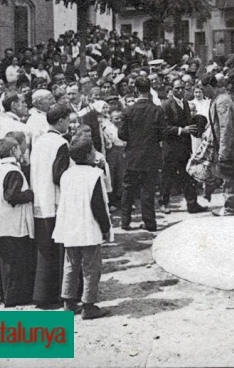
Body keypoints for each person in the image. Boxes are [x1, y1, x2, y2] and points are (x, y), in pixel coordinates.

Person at [53, 136, 111, 320]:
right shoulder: (94, 175)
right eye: (93, 150)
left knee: (71, 264)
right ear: (88, 155)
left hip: (70, 225)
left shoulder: (66, 174)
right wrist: (106, 227)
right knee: (91, 266)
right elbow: (98, 205)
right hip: (88, 225)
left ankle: (68, 302)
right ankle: (88, 305)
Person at [29, 104, 71, 306]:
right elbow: (59, 176)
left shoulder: (39, 142)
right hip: (55, 201)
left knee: (45, 249)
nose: (69, 124)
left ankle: (41, 294)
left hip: (40, 199)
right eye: (68, 120)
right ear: (61, 121)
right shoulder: (60, 143)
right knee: (57, 250)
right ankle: (56, 295)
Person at [0, 136, 35, 307]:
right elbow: (11, 196)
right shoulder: (12, 171)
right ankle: (14, 297)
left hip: (2, 222)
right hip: (12, 223)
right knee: (14, 262)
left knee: (7, 262)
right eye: (18, 148)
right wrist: (30, 194)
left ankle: (6, 294)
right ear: (13, 150)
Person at [118, 77, 166, 231]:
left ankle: (125, 222)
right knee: (148, 190)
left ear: (136, 90)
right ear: (149, 89)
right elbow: (162, 133)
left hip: (132, 156)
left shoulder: (128, 110)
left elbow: (122, 135)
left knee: (128, 189)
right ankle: (150, 223)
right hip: (150, 156)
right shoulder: (157, 110)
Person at [200, 73, 234, 216]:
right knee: (232, 169)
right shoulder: (218, 98)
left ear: (209, 86)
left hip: (229, 143)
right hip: (228, 143)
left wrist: (223, 151)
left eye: (202, 88)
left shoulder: (221, 101)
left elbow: (225, 128)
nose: (202, 92)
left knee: (228, 171)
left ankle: (230, 208)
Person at [160, 79, 207, 214]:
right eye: (177, 89)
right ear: (171, 90)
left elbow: (189, 123)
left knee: (188, 175)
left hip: (185, 146)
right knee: (167, 177)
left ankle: (192, 204)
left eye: (182, 88)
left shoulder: (186, 103)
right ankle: (164, 203)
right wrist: (182, 130)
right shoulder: (166, 105)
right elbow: (164, 128)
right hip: (171, 147)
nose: (180, 91)